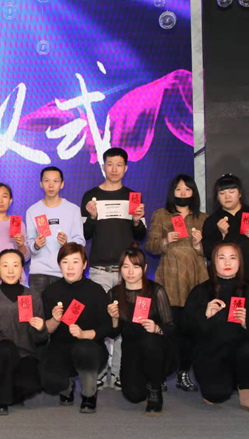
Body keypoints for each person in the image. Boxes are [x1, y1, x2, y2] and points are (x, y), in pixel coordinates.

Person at [82, 147, 147, 387]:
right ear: (103, 166)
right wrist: (91, 218)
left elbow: (141, 235)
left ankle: (120, 372)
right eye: (110, 164)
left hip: (125, 272)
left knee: (125, 322)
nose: (114, 169)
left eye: (119, 165)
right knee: (99, 320)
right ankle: (99, 370)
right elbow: (85, 234)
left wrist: (137, 220)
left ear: (126, 168)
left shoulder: (132, 196)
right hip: (98, 269)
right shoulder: (91, 196)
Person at [183, 242, 249, 414]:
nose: (227, 263)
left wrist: (247, 321)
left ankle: (248, 393)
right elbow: (185, 328)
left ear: (240, 262)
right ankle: (227, 382)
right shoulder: (201, 291)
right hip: (211, 354)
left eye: (233, 258)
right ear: (213, 262)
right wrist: (204, 314)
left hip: (241, 351)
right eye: (221, 258)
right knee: (215, 395)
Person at [145, 174, 208, 391]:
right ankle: (162, 373)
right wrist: (165, 240)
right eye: (178, 189)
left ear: (193, 192)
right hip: (169, 277)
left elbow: (211, 250)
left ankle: (184, 373)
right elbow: (150, 246)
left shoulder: (203, 218)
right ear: (172, 192)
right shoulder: (161, 214)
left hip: (195, 278)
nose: (183, 193)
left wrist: (199, 245)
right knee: (167, 328)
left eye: (187, 189)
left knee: (191, 330)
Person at [40, 242, 112, 413]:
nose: (70, 267)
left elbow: (107, 327)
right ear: (59, 264)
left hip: (90, 348)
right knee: (47, 380)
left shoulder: (96, 291)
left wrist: (84, 334)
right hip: (60, 347)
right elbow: (45, 330)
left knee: (84, 349)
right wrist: (54, 320)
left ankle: (89, 394)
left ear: (85, 264)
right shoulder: (50, 291)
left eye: (75, 261)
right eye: (65, 262)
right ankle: (67, 386)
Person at [0, 248, 47, 416]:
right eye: (5, 265)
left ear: (22, 268)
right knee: (6, 348)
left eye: (15, 265)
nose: (10, 270)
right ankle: (0, 401)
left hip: (24, 353)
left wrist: (41, 329)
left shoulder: (32, 296)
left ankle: (10, 391)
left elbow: (40, 339)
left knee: (31, 385)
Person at [107, 248, 175, 414]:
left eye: (136, 267)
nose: (130, 272)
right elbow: (112, 334)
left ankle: (155, 388)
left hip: (155, 346)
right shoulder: (114, 293)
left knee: (150, 340)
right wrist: (114, 318)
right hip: (131, 348)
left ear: (144, 269)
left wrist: (157, 328)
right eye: (125, 267)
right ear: (120, 269)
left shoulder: (156, 291)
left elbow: (171, 327)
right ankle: (145, 380)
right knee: (134, 395)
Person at [202, 175, 249, 291]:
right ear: (217, 197)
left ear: (240, 194)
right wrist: (222, 235)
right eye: (222, 193)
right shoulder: (212, 220)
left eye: (231, 192)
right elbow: (207, 252)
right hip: (225, 280)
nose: (227, 196)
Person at [24, 167, 83, 298]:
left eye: (55, 181)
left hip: (65, 271)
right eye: (47, 181)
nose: (51, 185)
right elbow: (30, 243)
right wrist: (36, 245)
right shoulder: (32, 211)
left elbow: (80, 242)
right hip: (39, 272)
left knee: (65, 310)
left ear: (62, 184)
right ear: (41, 183)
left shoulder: (73, 209)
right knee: (39, 310)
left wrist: (68, 243)